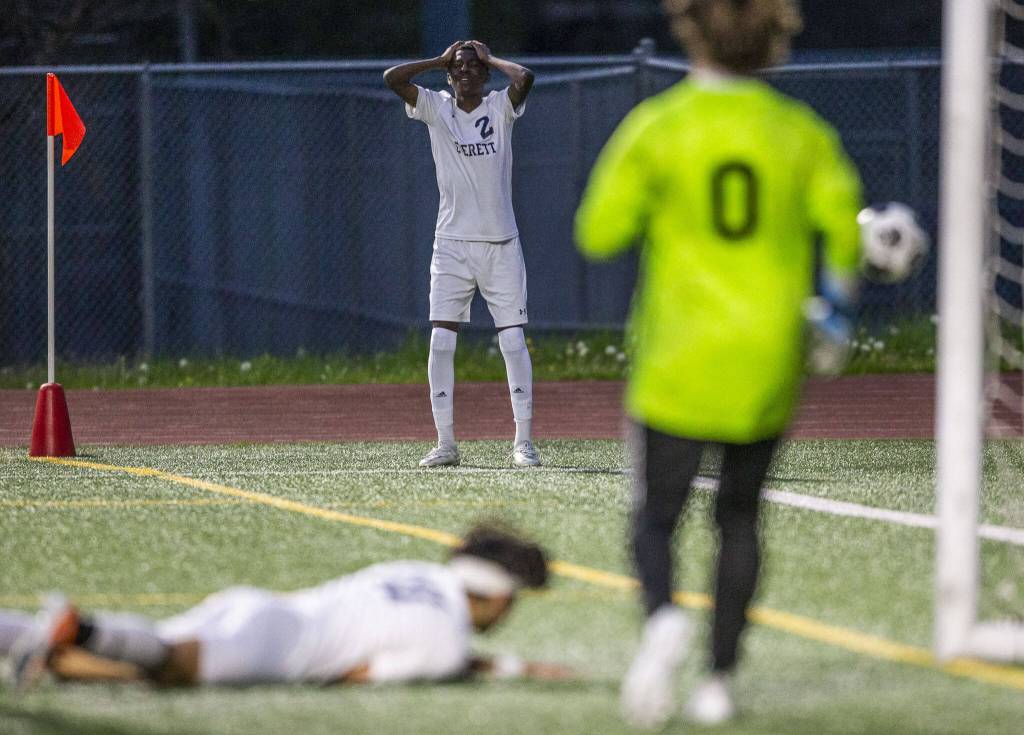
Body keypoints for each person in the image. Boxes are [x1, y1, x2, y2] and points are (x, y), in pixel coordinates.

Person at [575, 0, 863, 728]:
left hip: (678, 358)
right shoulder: (800, 132)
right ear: (774, 40)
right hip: (766, 358)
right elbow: (846, 235)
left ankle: (664, 616)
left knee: (656, 518)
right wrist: (835, 315)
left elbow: (598, 231)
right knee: (739, 518)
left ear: (689, 30)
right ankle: (719, 681)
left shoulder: (659, 127)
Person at [4, 523, 569, 688]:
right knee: (163, 662)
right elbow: (356, 672)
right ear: (497, 596)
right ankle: (80, 624)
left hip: (257, 610)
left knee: (102, 668)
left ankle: (29, 634)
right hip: (274, 648)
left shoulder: (418, 573)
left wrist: (510, 666)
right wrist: (472, 670)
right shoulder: (446, 646)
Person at [383, 41, 540, 469]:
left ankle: (523, 442)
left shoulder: (499, 108)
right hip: (451, 244)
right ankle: (446, 443)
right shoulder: (435, 107)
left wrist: (489, 57)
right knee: (441, 340)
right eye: (458, 68)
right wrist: (438, 60)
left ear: (485, 74)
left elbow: (525, 78)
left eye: (474, 67)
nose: (466, 72)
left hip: (500, 243)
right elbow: (393, 78)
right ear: (449, 77)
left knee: (511, 340)